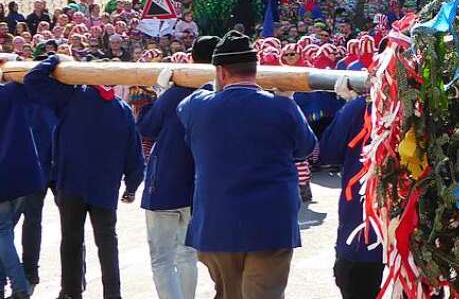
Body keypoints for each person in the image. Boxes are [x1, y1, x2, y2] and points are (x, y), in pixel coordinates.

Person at [177, 32, 317, 298]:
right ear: (256, 70)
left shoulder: (198, 106)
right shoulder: (281, 107)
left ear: (220, 73)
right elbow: (307, 149)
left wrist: (211, 84)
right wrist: (288, 100)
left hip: (218, 224)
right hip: (271, 224)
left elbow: (185, 105)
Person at [24, 53, 145, 299]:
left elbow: (32, 79)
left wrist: (54, 59)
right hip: (104, 187)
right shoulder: (121, 110)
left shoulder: (72, 95)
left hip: (71, 184)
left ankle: (70, 293)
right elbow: (134, 154)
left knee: (71, 240)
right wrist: (131, 187)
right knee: (107, 243)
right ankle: (113, 294)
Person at [137, 36, 217, 299]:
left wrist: (159, 95)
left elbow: (147, 127)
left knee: (162, 259)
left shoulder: (176, 93)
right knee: (187, 255)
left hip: (165, 184)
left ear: (192, 58)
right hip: (198, 186)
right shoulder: (219, 94)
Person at [320, 70, 382, 299]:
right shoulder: (432, 105)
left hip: (362, 239)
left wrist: (348, 107)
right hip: (414, 241)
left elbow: (327, 153)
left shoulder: (359, 108)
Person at [0, 54, 45, 299]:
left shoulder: (9, 94)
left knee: (2, 234)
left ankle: (19, 286)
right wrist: (51, 60)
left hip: (5, 181)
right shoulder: (12, 93)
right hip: (21, 178)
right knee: (3, 234)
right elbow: (33, 77)